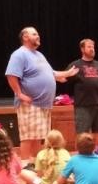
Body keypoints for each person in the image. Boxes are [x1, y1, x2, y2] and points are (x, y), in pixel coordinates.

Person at [5, 26, 79, 166]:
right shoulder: (19, 54)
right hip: (30, 103)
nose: (38, 36)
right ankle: (25, 165)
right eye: (34, 34)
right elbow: (11, 75)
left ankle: (37, 164)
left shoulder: (39, 55)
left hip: (43, 104)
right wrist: (20, 94)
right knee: (28, 136)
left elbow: (51, 73)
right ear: (25, 37)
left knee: (38, 137)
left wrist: (67, 73)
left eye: (37, 33)